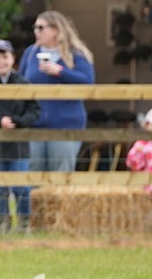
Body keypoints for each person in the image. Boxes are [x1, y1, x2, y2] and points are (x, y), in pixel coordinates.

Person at [17, 10, 94, 172]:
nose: (36, 32)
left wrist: (61, 72)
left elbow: (88, 82)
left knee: (61, 172)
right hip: (35, 124)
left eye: (40, 27)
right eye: (35, 27)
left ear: (56, 30)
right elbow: (20, 82)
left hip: (65, 124)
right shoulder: (30, 53)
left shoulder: (76, 54)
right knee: (33, 170)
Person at [0, 39, 40, 232]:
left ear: (12, 59)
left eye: (4, 57)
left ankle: (24, 223)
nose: (1, 61)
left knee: (21, 187)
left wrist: (18, 121)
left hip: (18, 143)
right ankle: (3, 223)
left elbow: (34, 110)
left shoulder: (23, 83)